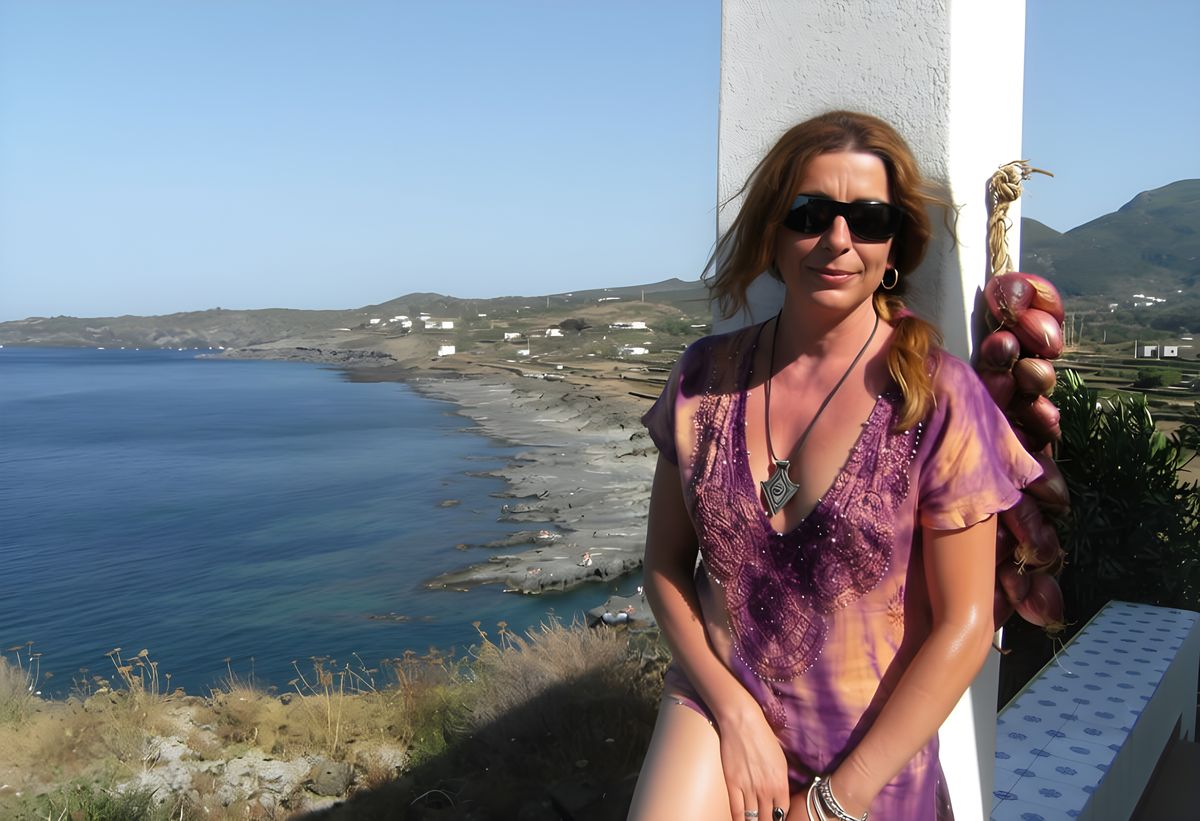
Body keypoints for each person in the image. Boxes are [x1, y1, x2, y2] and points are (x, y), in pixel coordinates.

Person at [627, 111, 1041, 821]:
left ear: (895, 246)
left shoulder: (939, 398)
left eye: (869, 220)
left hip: (868, 752)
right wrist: (734, 712)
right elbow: (664, 567)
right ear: (774, 231)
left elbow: (966, 624)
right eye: (809, 213)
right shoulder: (703, 378)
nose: (838, 239)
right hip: (720, 710)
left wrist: (834, 801)